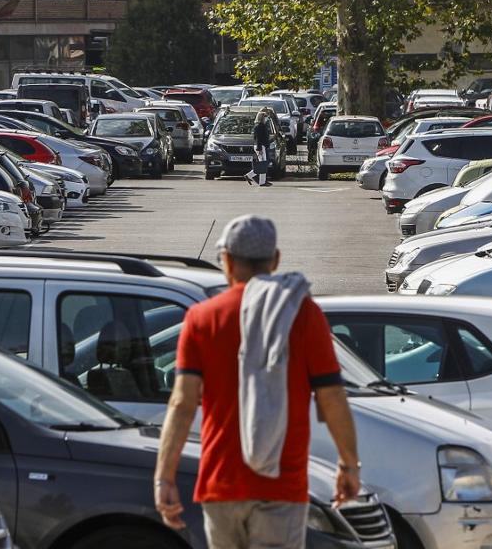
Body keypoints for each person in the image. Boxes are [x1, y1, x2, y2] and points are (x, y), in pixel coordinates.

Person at [154, 215, 359, 549]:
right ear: (275, 260)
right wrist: (349, 464)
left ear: (227, 261)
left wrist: (164, 477)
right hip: (282, 484)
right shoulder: (302, 314)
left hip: (220, 484)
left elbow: (181, 403)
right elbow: (332, 396)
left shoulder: (202, 318)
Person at [244, 108, 273, 187]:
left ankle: (250, 176)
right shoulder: (259, 126)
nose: (266, 118)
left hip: (262, 146)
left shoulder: (262, 125)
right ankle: (262, 182)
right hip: (261, 146)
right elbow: (258, 138)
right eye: (265, 117)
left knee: (263, 163)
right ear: (262, 118)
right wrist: (259, 149)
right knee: (263, 164)